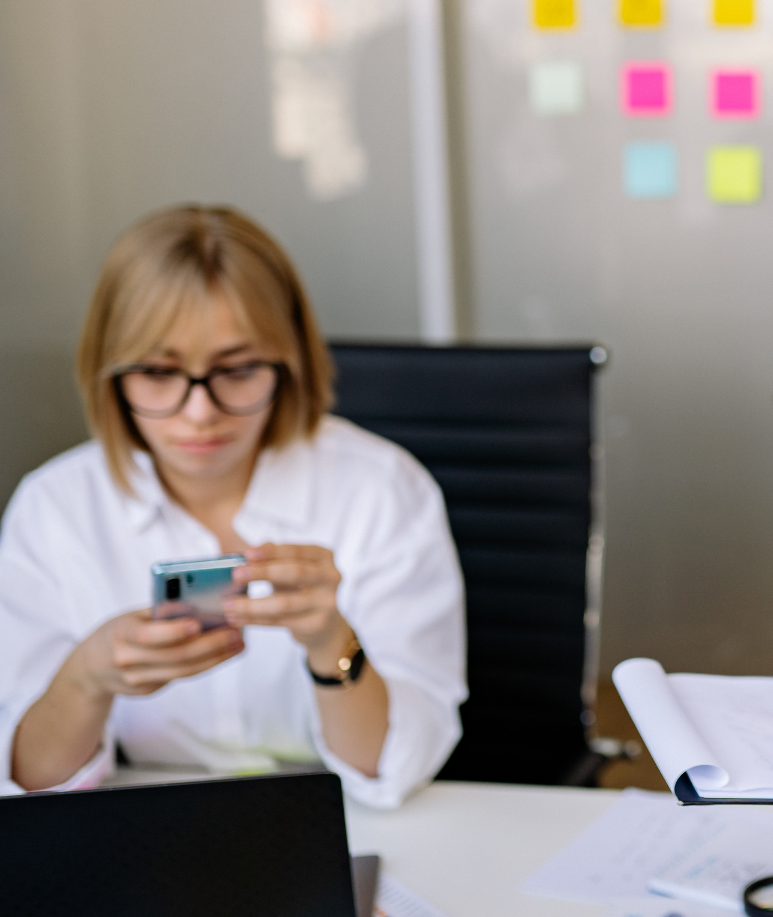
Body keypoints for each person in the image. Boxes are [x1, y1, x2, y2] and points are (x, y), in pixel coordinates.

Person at [0, 206, 464, 809]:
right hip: (141, 834)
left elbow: (392, 771)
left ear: (289, 362)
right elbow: (30, 787)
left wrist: (331, 642)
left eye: (238, 369)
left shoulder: (381, 488)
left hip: (338, 823)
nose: (200, 412)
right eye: (159, 372)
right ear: (109, 373)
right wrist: (85, 678)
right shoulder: (54, 509)